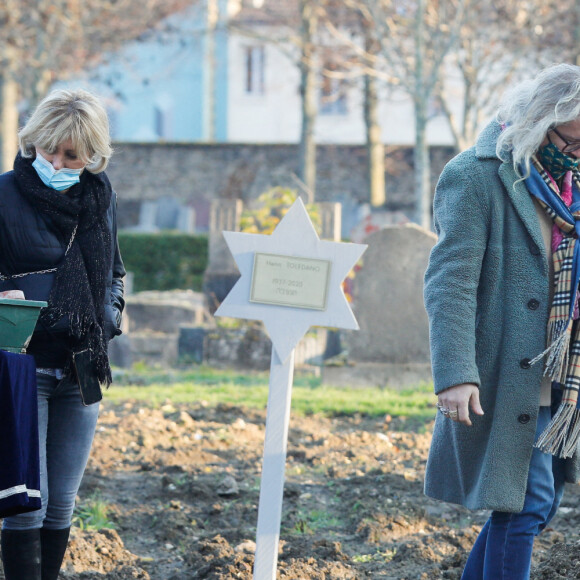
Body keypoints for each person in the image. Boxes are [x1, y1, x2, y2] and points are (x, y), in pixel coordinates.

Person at [423, 63, 580, 580]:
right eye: (575, 139)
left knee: (538, 503)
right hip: (505, 371)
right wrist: (454, 373)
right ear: (542, 122)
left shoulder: (571, 183)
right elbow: (450, 282)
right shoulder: (476, 175)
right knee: (525, 504)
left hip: (564, 369)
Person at [0, 89, 125, 580]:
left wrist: (107, 319)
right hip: (20, 364)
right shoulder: (5, 193)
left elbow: (114, 273)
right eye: (50, 149)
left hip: (82, 364)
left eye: (72, 154)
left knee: (63, 502)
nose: (57, 161)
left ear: (91, 154)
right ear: (34, 140)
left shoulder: (102, 197)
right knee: (29, 499)